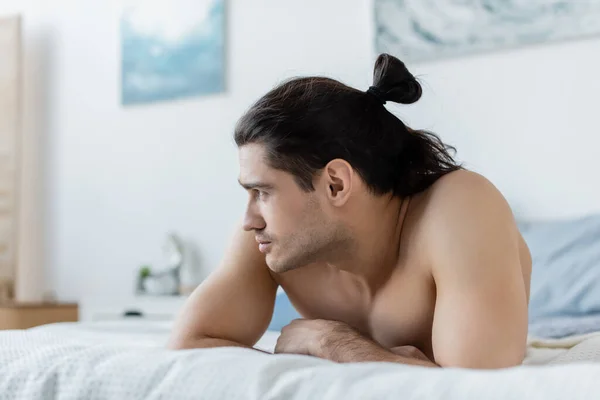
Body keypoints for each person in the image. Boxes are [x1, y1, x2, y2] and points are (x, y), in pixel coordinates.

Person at [168, 53, 531, 369]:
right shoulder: (271, 238)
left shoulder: (461, 209)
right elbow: (189, 345)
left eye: (263, 192)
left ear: (336, 184)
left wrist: (329, 341)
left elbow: (479, 389)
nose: (249, 219)